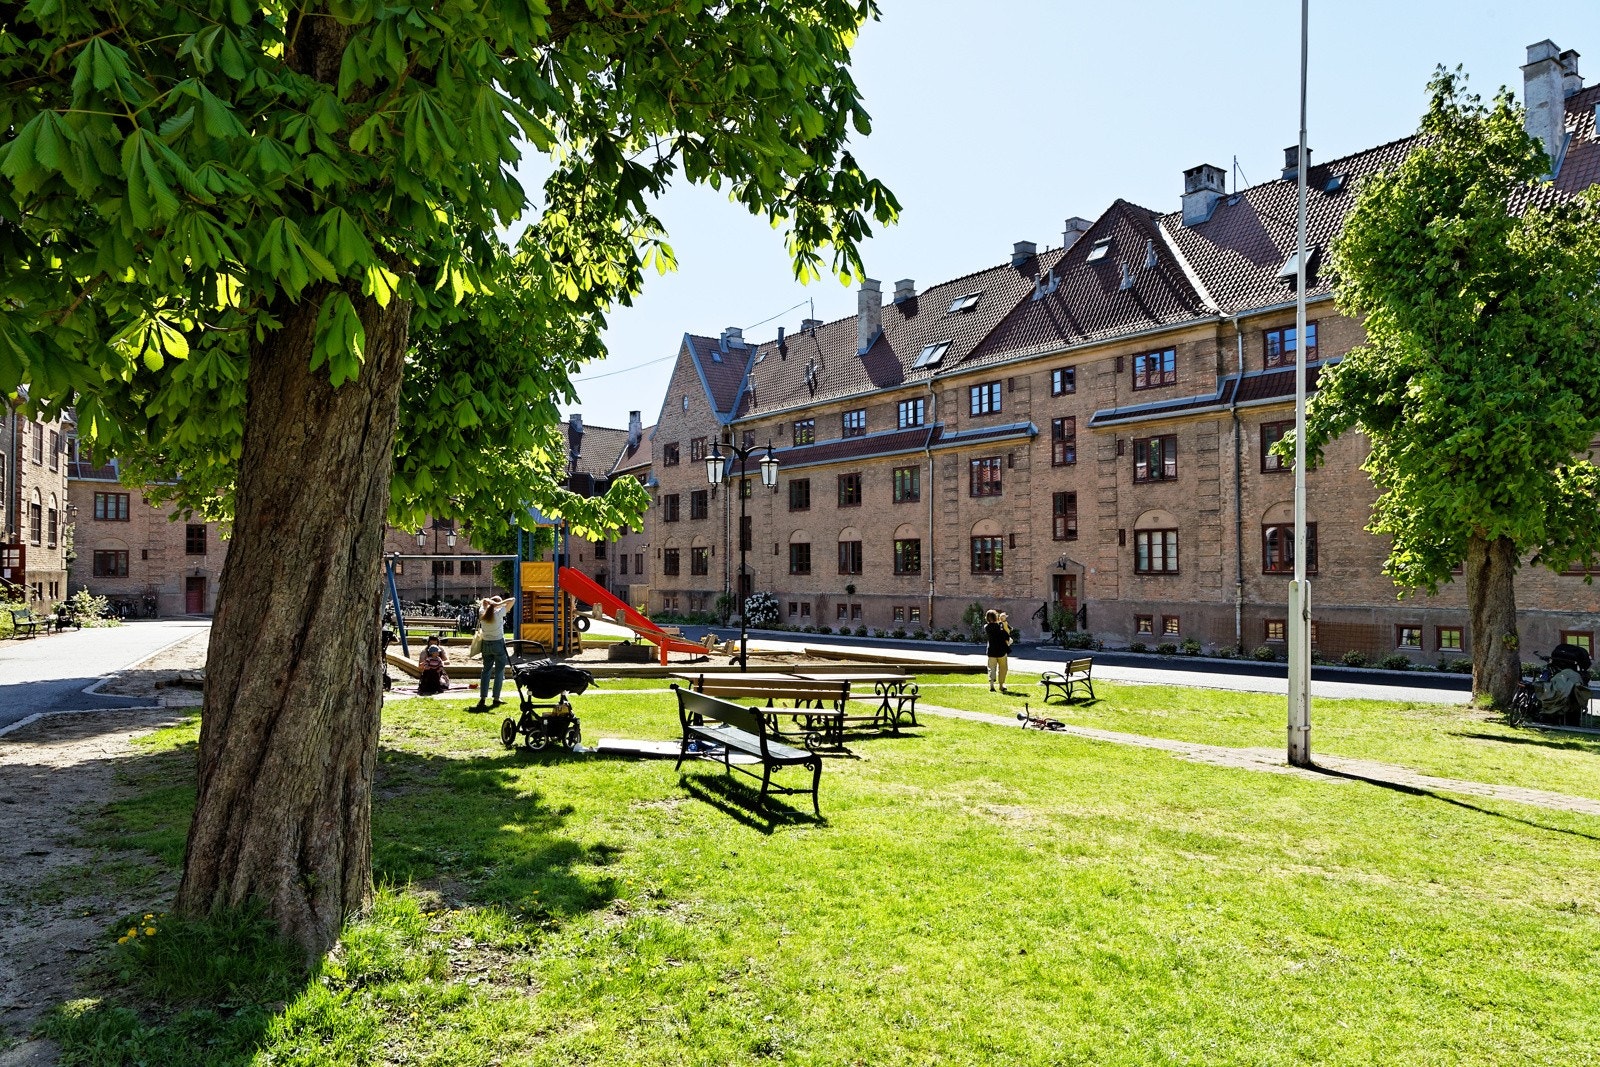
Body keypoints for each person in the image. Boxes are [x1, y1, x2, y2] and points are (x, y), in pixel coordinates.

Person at [473, 594, 514, 711]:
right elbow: (512, 599)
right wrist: (498, 604)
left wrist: (491, 603)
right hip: (498, 643)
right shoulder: (499, 612)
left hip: (486, 644)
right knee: (499, 671)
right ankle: (496, 697)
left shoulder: (482, 612)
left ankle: (483, 698)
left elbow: (483, 602)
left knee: (486, 671)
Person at [984, 608, 1014, 693]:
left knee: (991, 668)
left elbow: (991, 626)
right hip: (1001, 650)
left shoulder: (986, 627)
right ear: (996, 617)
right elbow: (1007, 634)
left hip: (991, 650)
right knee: (1003, 668)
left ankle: (992, 685)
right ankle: (1001, 685)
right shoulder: (1000, 626)